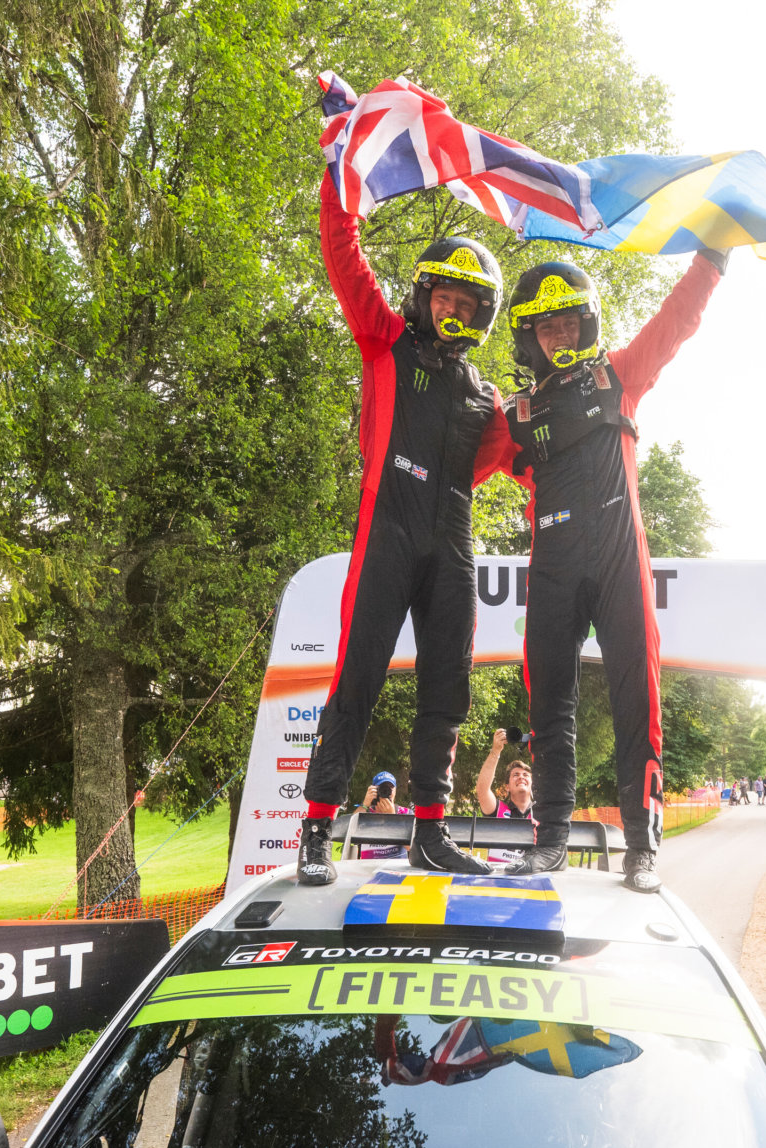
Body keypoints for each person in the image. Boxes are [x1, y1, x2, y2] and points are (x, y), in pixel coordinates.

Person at [298, 114, 506, 886]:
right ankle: (317, 828)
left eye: (469, 306)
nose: (454, 313)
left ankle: (431, 832)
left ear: (483, 317)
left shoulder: (485, 395)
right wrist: (338, 171)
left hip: (451, 546)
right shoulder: (384, 340)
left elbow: (524, 461)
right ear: (423, 296)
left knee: (448, 689)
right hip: (386, 529)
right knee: (357, 677)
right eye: (445, 298)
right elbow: (343, 256)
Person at [479, 251, 726, 892]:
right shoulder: (515, 415)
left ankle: (641, 848)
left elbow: (673, 324)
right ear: (529, 338)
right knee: (549, 707)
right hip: (553, 569)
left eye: (568, 323)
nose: (559, 335)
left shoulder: (619, 375)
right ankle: (550, 842)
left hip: (621, 562)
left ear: (586, 324)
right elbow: (459, 463)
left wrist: (711, 260)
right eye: (547, 328)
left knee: (635, 700)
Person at [475, 730, 533, 818]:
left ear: (533, 784)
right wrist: (496, 750)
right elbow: (482, 790)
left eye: (525, 775)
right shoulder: (498, 809)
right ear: (507, 786)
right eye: (516, 775)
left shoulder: (543, 812)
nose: (521, 777)